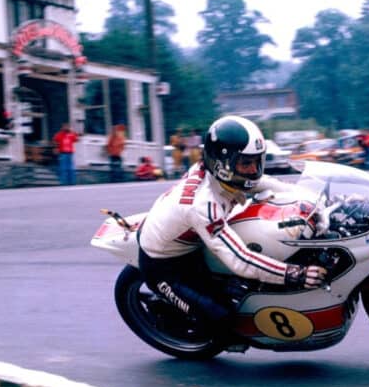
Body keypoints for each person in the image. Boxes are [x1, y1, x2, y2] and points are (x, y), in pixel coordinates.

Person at [137, 115, 328, 332]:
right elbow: (241, 260)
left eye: (257, 161)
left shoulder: (222, 174)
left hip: (194, 242)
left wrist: (316, 200)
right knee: (222, 318)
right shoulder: (204, 205)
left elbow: (267, 183)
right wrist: (295, 274)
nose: (254, 170)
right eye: (246, 163)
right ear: (221, 163)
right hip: (163, 264)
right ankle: (169, 316)